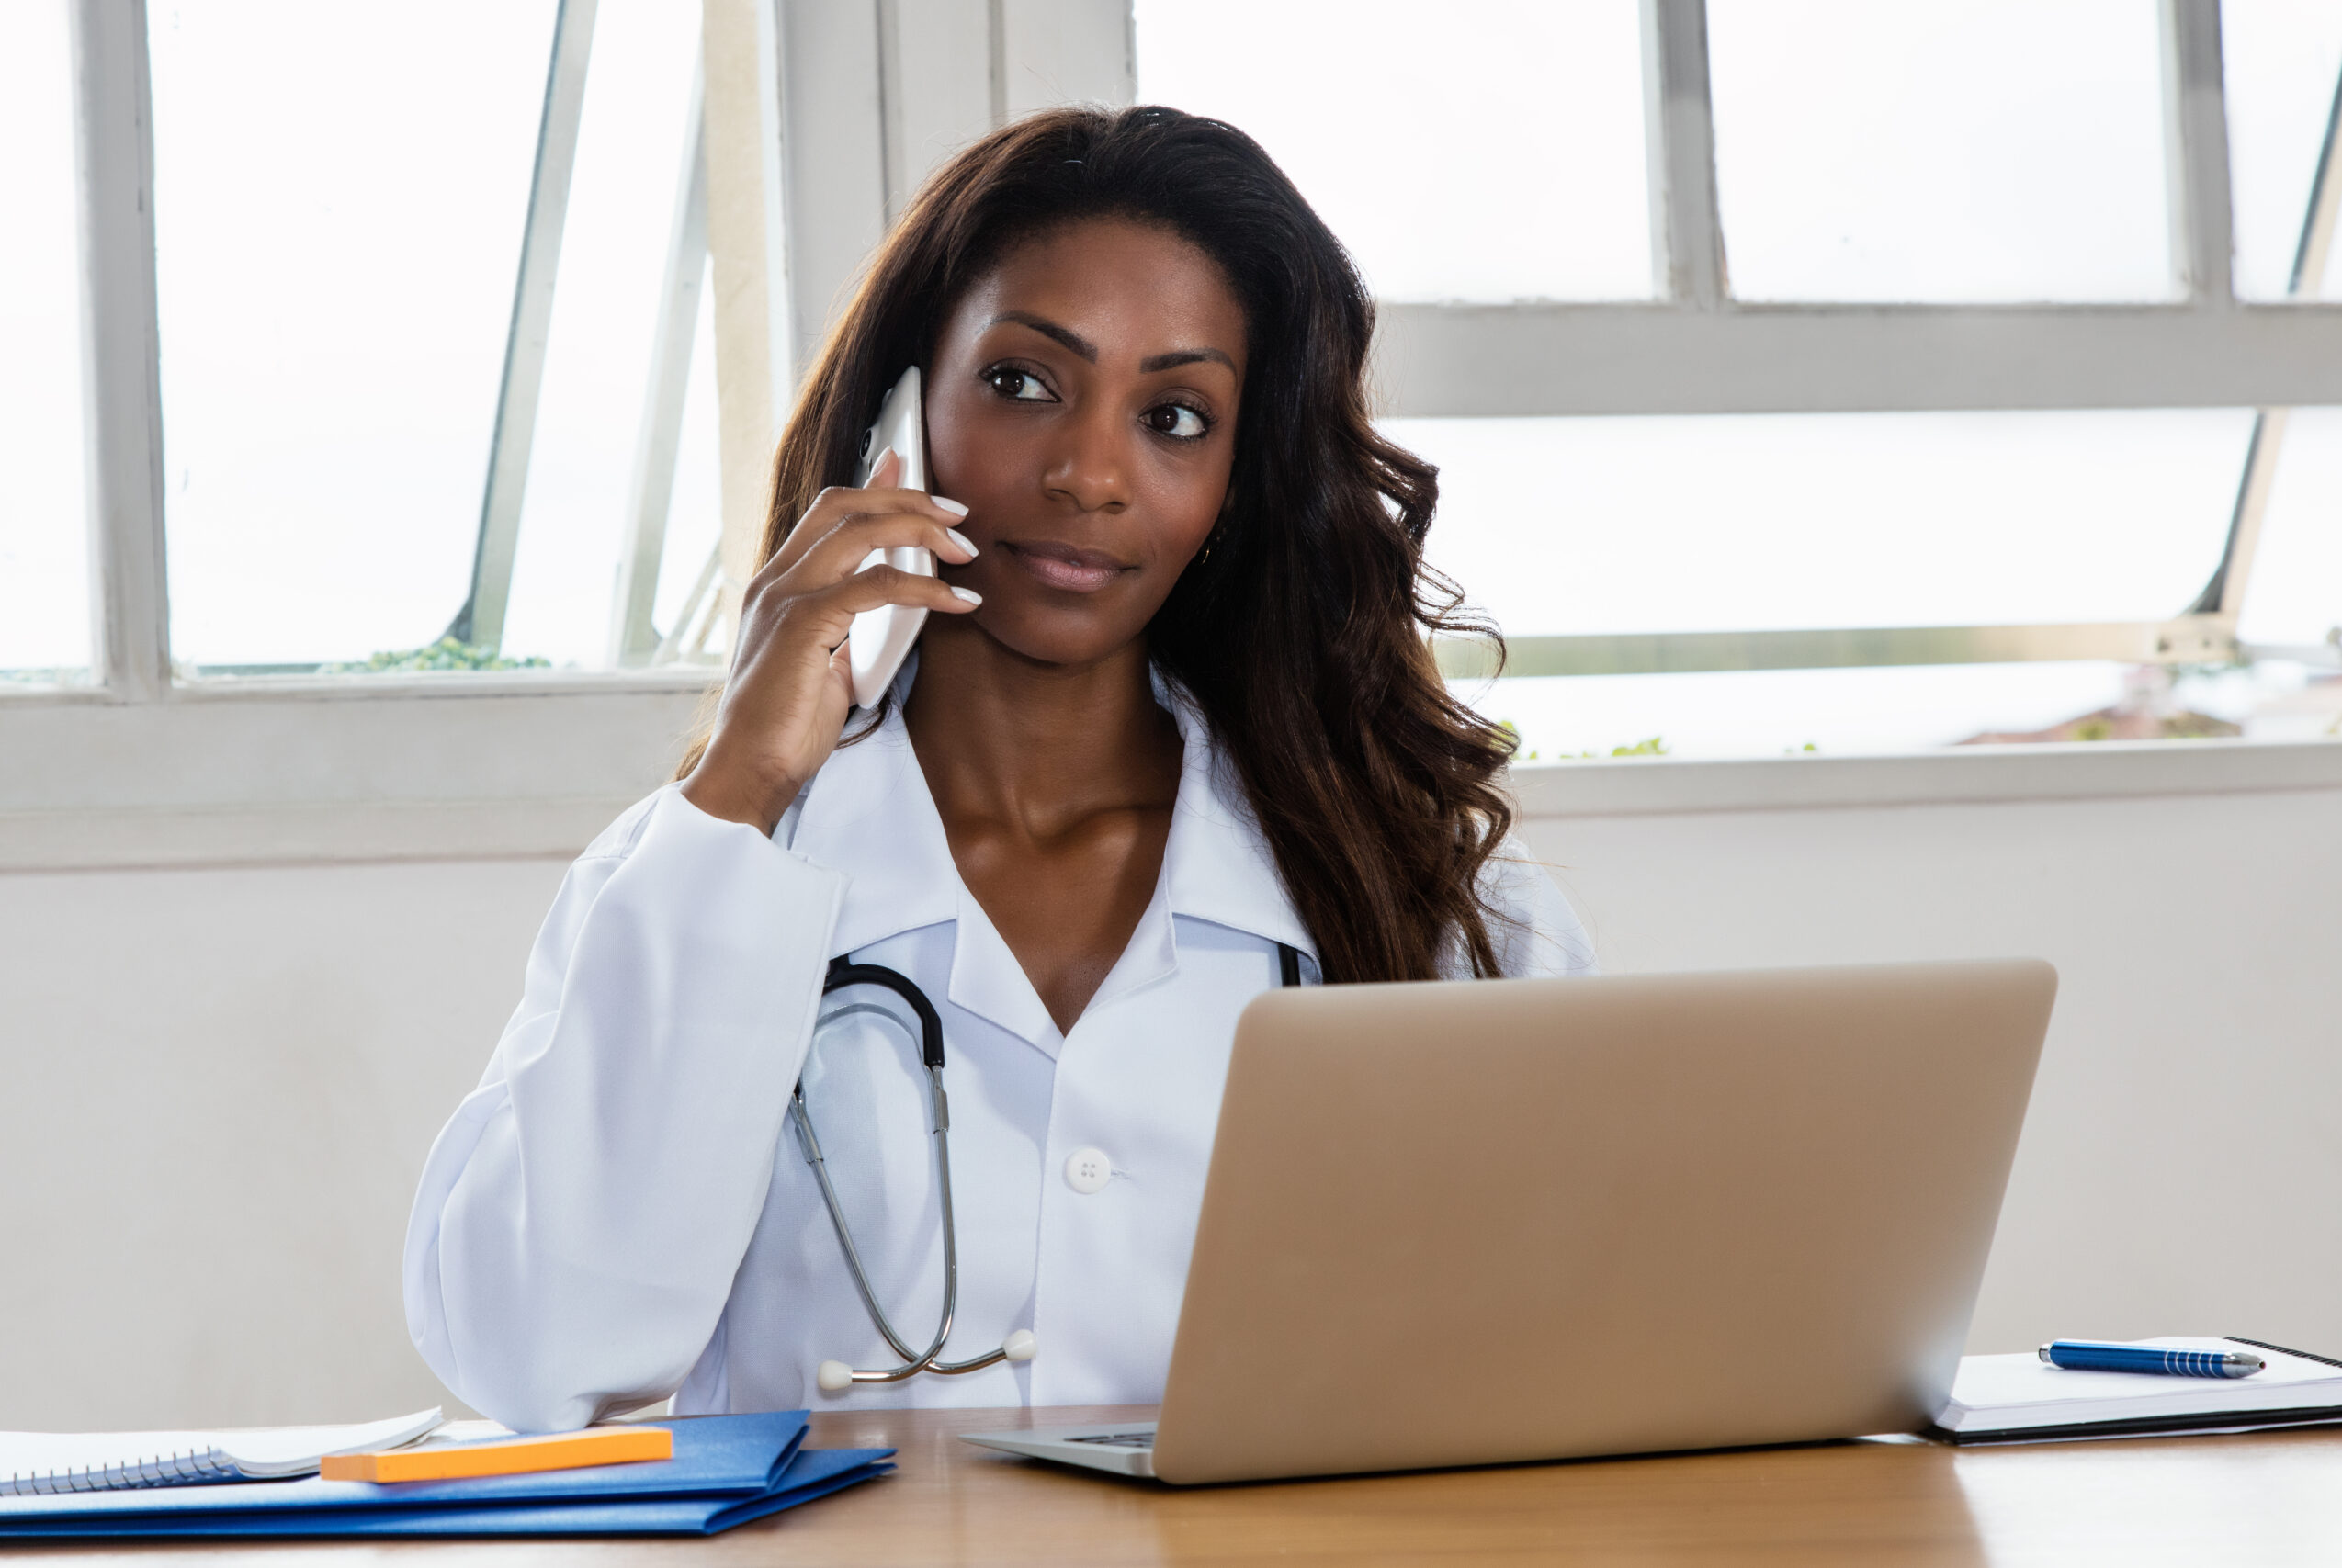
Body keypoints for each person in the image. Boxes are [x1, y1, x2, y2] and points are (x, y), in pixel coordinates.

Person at [403, 105, 1592, 1434]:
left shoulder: (1431, 898)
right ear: (902, 414)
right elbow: (533, 1356)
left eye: (1176, 416)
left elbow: (1589, 1342)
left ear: (1239, 484)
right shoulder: (701, 865)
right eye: (1025, 383)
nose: (1089, 473)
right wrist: (741, 781)